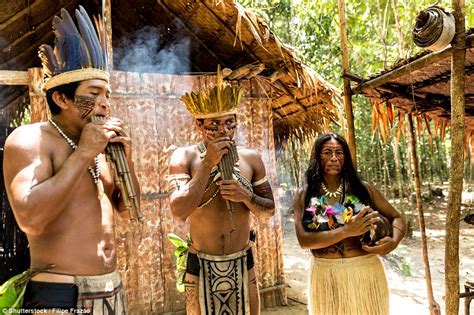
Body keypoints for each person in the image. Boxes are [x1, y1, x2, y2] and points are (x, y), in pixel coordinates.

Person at [2, 6, 140, 314]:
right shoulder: (30, 139)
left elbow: (129, 213)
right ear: (61, 98)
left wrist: (125, 164)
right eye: (94, 92)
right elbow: (30, 219)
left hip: (110, 289)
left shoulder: (100, 147)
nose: (105, 103)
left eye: (107, 94)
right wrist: (84, 154)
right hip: (59, 294)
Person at [167, 70, 275, 314]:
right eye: (213, 125)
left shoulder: (251, 159)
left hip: (242, 262)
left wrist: (246, 196)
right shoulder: (184, 157)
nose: (223, 131)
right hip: (200, 263)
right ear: (199, 124)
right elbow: (179, 210)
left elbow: (268, 213)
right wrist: (208, 164)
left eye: (229, 123)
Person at [293, 133, 406, 315]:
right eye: (327, 152)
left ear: (345, 157)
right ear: (317, 157)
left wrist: (393, 242)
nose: (334, 158)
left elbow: (397, 218)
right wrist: (347, 230)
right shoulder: (304, 194)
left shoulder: (363, 189)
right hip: (326, 276)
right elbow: (304, 241)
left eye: (339, 153)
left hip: (365, 272)